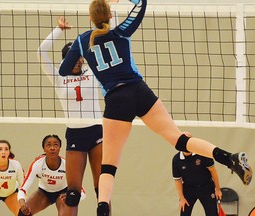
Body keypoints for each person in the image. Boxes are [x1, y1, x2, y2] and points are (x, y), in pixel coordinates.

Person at [58, 0, 253, 215]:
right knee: (180, 140)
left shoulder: (82, 40)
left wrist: (84, 53)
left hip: (116, 99)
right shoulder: (122, 31)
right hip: (140, 91)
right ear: (110, 15)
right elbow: (140, 4)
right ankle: (228, 158)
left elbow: (64, 70)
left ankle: (102, 210)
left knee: (108, 167)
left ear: (90, 18)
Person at [37, 16, 114, 215]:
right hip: (75, 134)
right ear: (65, 60)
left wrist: (107, 23)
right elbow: (41, 52)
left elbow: (107, 46)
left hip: (96, 131)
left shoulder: (92, 72)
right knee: (72, 193)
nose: (79, 61)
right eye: (74, 57)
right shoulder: (58, 78)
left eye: (80, 57)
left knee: (102, 192)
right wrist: (58, 30)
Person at [17, 134, 85, 216]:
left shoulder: (67, 165)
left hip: (63, 193)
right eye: (48, 145)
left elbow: (82, 192)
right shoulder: (37, 164)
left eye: (56, 145)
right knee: (23, 214)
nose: (52, 148)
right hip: (44, 193)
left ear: (60, 148)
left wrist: (70, 197)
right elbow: (22, 189)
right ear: (44, 149)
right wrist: (22, 204)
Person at [172, 150, 222, 216]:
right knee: (184, 212)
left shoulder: (202, 153)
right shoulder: (176, 159)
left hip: (206, 187)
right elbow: (177, 180)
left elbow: (213, 170)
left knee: (212, 213)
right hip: (189, 189)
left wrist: (218, 189)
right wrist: (181, 198)